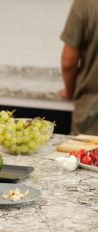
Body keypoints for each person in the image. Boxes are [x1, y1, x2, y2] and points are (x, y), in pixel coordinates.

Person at [59, 0, 98, 135]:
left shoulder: (85, 3)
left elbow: (68, 63)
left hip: (92, 114)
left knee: (86, 155)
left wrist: (70, 92)